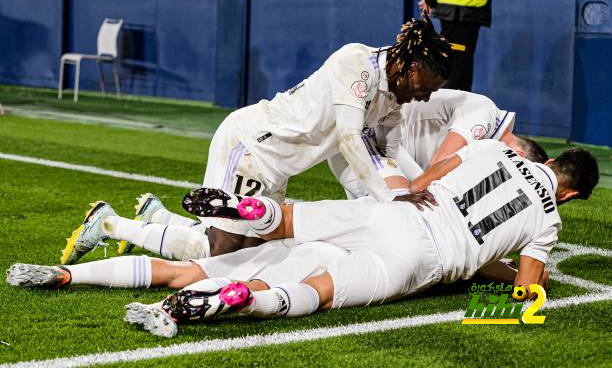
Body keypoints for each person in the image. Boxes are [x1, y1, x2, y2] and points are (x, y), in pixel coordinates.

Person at [7, 144, 598, 338]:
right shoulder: (548, 218)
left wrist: (412, 188)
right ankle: (240, 299)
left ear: (540, 153)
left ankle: (252, 209)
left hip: (393, 212)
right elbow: (526, 298)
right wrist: (480, 289)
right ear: (570, 194)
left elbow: (440, 167)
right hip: (424, 259)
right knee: (312, 290)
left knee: (286, 224)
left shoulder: (497, 149)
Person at [58, 14, 452, 266]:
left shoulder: (393, 97)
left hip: (279, 165)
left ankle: (156, 217)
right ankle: (109, 224)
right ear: (411, 66)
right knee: (218, 254)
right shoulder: (357, 64)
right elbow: (349, 139)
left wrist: (421, 190)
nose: (425, 95)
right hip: (251, 146)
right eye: (426, 86)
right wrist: (390, 199)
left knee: (252, 253)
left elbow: (389, 154)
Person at [329, 89, 549, 198]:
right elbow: (440, 163)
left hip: (383, 152)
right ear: (519, 155)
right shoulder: (487, 114)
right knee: (409, 211)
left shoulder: (488, 141)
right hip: (371, 140)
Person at [420, 0, 496, 91]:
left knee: (454, 74)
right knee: (460, 73)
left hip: (458, 6)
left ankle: (451, 110)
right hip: (473, 4)